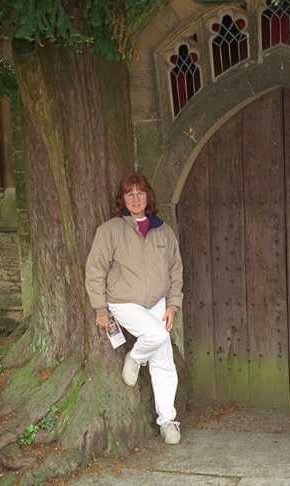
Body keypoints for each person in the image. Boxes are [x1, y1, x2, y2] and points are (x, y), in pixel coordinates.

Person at [84, 171, 183, 445]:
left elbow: (176, 269)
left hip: (158, 303)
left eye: (140, 193)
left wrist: (173, 304)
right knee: (158, 337)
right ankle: (135, 358)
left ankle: (167, 421)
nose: (136, 199)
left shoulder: (163, 229)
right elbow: (95, 270)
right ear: (123, 199)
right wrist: (100, 308)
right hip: (124, 302)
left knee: (164, 361)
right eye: (130, 194)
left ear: (148, 196)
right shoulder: (110, 230)